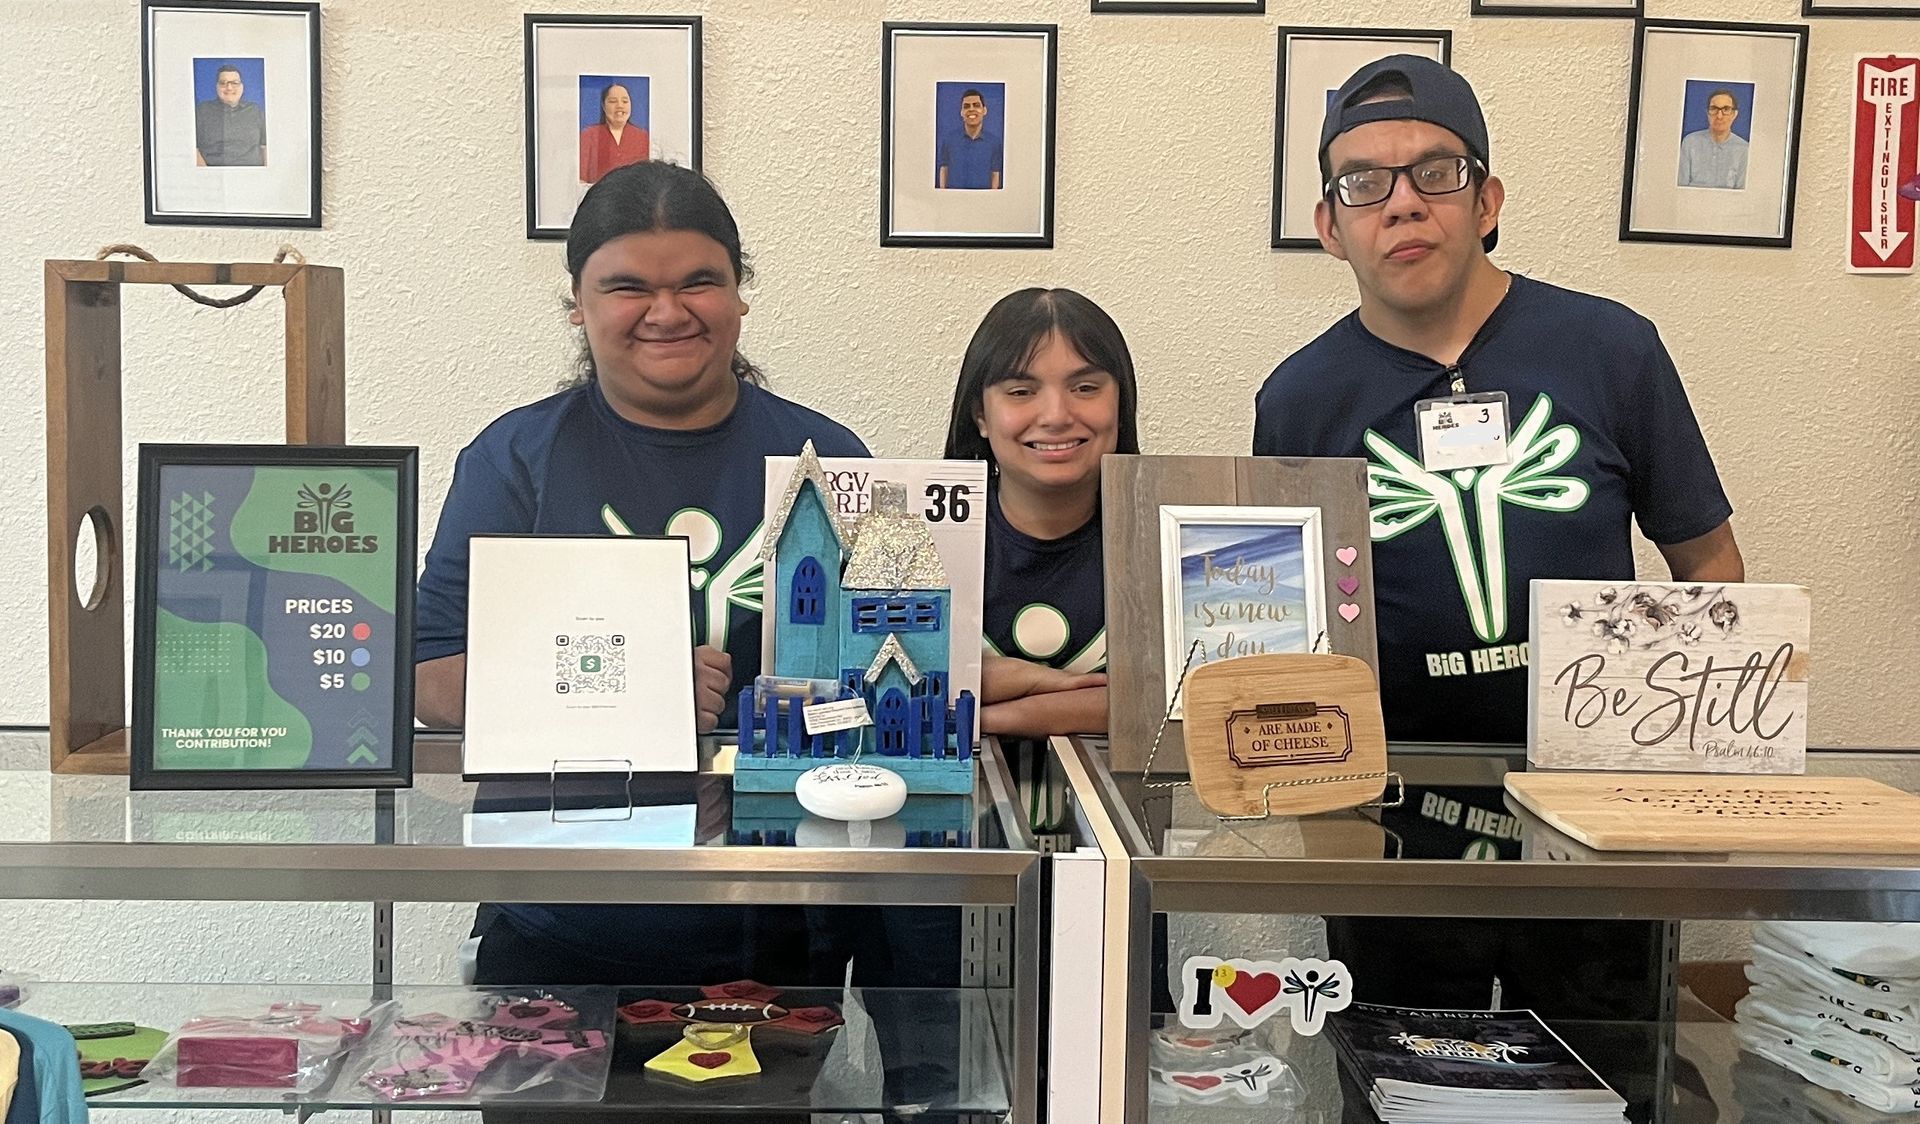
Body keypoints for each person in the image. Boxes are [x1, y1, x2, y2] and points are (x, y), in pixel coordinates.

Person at [1252, 55, 1745, 1116]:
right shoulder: (1298, 401)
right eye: (1363, 183)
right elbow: (1283, 633)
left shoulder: (1610, 348)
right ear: (1329, 226)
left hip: (1591, 822)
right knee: (1394, 1085)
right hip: (1386, 828)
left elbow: (1707, 563)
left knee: (1615, 1085)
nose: (1402, 204)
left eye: (1434, 171)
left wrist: (1692, 769)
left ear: (1489, 200)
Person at [415, 161, 870, 997]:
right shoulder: (516, 462)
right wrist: (639, 693)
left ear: (740, 294)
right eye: (628, 287)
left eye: (700, 281)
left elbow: (883, 674)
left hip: (776, 919)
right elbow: (430, 679)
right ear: (578, 304)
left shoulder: (831, 462)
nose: (667, 311)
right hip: (558, 917)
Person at [944, 288, 1140, 737]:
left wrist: (981, 713)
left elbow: (1182, 701)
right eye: (1021, 391)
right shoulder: (922, 539)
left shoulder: (1171, 542)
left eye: (1085, 388)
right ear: (981, 415)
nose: (1055, 415)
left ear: (1120, 404)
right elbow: (882, 684)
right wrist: (1065, 689)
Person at [194, 63, 265, 167]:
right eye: (223, 83)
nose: (229, 87)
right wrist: (205, 175)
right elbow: (192, 148)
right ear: (216, 87)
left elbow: (265, 147)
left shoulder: (255, 110)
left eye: (234, 83)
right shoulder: (202, 111)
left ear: (242, 86)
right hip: (213, 176)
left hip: (253, 175)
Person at [579, 82, 648, 185]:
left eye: (625, 101)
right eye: (613, 101)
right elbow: (581, 179)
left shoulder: (643, 137)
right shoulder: (589, 135)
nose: (620, 106)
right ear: (603, 105)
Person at [1678, 88, 1749, 189]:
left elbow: (1743, 193)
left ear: (1734, 114)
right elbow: (1680, 187)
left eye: (1726, 109)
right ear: (1707, 113)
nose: (1719, 116)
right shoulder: (1690, 142)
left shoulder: (1744, 149)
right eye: (1714, 109)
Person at [937, 88, 1003, 190]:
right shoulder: (949, 140)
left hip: (983, 201)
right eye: (966, 106)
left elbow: (995, 174)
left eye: (976, 105)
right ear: (962, 112)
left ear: (984, 110)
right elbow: (944, 169)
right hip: (954, 201)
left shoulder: (994, 143)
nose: (971, 109)